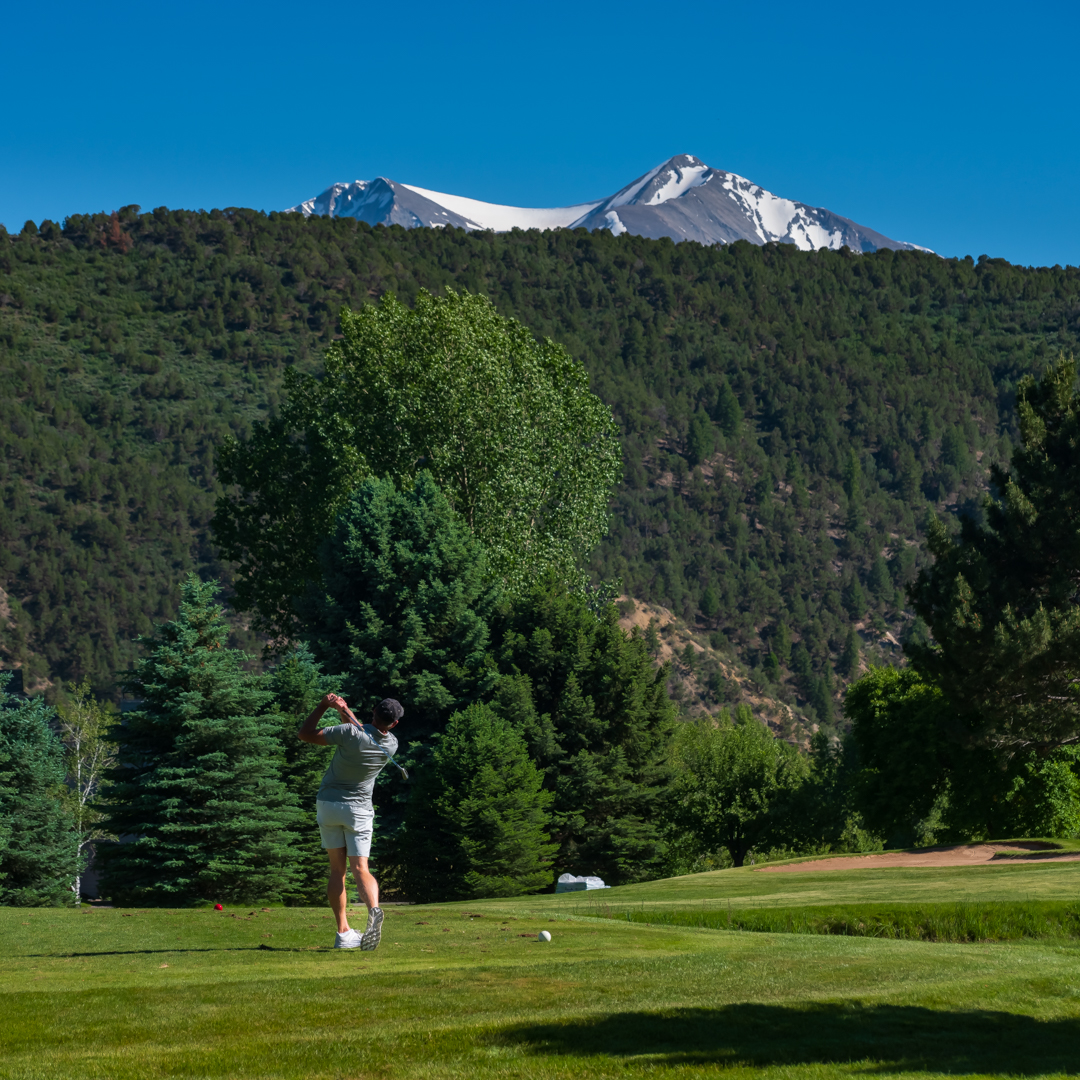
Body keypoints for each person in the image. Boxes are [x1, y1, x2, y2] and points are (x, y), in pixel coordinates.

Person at [298, 693, 403, 950]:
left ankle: (343, 932)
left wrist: (326, 705)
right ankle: (374, 909)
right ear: (394, 724)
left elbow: (306, 734)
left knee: (337, 870)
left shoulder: (348, 732)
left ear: (373, 712)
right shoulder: (391, 745)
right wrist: (344, 709)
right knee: (361, 869)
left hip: (329, 805)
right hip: (359, 811)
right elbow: (362, 731)